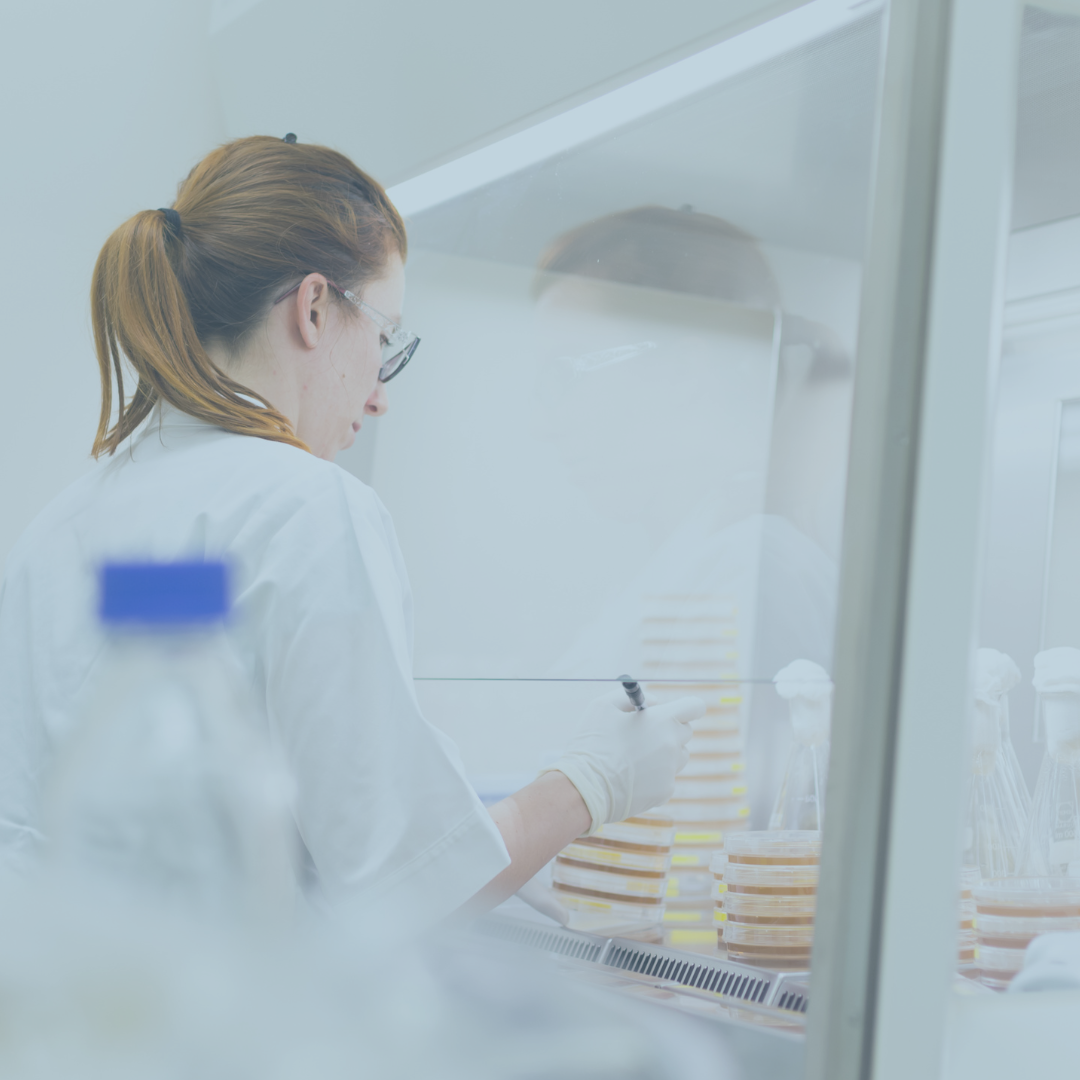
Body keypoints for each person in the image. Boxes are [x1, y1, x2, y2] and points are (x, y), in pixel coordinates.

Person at [0, 136, 703, 923]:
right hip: (218, 1034)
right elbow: (409, 889)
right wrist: (594, 780)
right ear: (312, 308)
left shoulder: (62, 524)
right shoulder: (304, 508)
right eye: (383, 339)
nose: (379, 396)